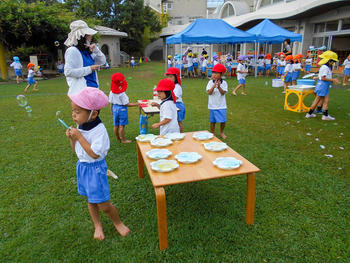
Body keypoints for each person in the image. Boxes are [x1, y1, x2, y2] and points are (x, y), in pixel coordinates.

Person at [66, 87, 130, 240]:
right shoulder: (80, 126)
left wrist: (79, 137)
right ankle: (97, 225)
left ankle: (118, 222)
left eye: (78, 111)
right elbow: (77, 151)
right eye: (73, 110)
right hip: (83, 168)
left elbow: (94, 154)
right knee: (90, 200)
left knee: (104, 204)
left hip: (95, 170)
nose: (74, 114)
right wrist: (72, 138)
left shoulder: (99, 131)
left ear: (93, 114)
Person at [64, 20, 106, 95]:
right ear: (82, 37)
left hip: (93, 89)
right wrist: (89, 69)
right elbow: (68, 72)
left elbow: (102, 61)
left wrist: (96, 50)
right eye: (89, 35)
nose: (91, 37)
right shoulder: (72, 51)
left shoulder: (88, 51)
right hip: (81, 93)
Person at [305, 51, 340, 120]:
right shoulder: (325, 67)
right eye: (332, 61)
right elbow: (323, 78)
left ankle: (310, 114)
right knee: (324, 100)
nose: (332, 63)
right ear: (329, 61)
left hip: (323, 86)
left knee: (321, 100)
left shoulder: (325, 67)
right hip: (323, 86)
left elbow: (322, 76)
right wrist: (333, 80)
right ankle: (324, 116)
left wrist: (331, 80)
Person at [109, 73, 139, 143]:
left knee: (116, 125)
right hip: (121, 109)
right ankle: (123, 140)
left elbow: (111, 103)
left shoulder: (111, 92)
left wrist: (112, 111)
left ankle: (117, 138)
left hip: (114, 108)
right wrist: (136, 104)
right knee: (122, 125)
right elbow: (126, 104)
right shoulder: (122, 94)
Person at [206, 64, 228, 139]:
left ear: (221, 74)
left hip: (222, 105)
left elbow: (223, 93)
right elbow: (209, 92)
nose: (214, 75)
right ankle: (212, 132)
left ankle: (221, 132)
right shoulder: (210, 83)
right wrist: (213, 86)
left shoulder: (224, 83)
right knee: (212, 121)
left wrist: (219, 87)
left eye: (216, 73)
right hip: (212, 105)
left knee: (223, 120)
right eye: (213, 73)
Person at [165, 67, 185, 132]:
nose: (169, 79)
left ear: (176, 77)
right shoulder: (170, 86)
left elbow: (175, 97)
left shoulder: (177, 87)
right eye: (168, 77)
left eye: (171, 77)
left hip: (178, 106)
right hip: (172, 105)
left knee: (178, 122)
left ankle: (180, 135)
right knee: (173, 121)